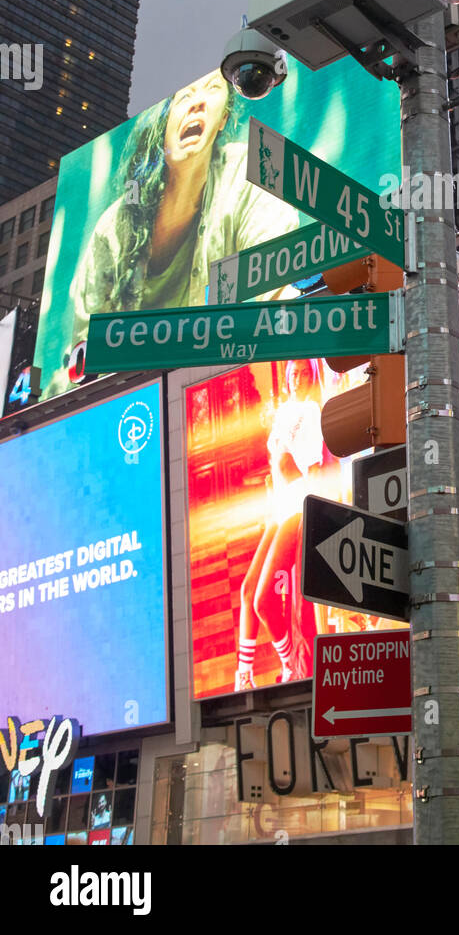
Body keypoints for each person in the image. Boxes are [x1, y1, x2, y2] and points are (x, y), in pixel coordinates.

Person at [50, 70, 299, 395]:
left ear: (223, 118)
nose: (197, 103)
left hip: (242, 389)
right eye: (184, 95)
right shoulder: (113, 228)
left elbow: (276, 304)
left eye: (211, 89)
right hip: (136, 411)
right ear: (163, 124)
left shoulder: (254, 169)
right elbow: (86, 366)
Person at [235, 359, 332, 689]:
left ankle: (292, 662)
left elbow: (313, 469)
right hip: (278, 510)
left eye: (305, 373)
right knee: (248, 590)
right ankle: (244, 675)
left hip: (297, 507)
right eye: (294, 374)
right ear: (287, 377)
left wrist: (314, 514)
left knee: (264, 599)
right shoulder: (282, 415)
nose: (299, 379)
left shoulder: (311, 411)